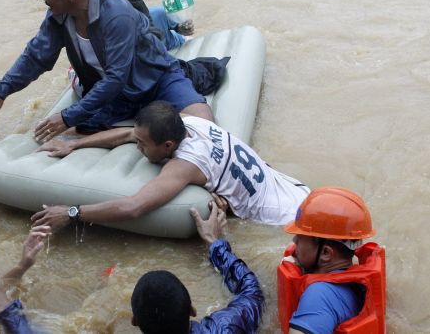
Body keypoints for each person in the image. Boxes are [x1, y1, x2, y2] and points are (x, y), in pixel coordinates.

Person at [0, 0, 213, 144]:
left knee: (202, 122)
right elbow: (36, 56)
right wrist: (0, 92)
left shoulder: (116, 15)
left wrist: (68, 116)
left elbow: (116, 77)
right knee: (56, 139)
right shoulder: (58, 17)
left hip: (156, 79)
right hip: (116, 95)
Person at [32, 100, 310, 229]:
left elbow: (134, 207)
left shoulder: (184, 164)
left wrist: (70, 213)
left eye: (142, 145)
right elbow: (128, 133)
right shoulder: (191, 122)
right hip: (300, 191)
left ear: (167, 146)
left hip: (287, 220)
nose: (137, 148)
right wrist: (74, 144)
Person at [131, 203, 263, 333]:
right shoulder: (224, 328)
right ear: (192, 310)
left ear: (134, 321)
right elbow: (252, 293)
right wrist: (214, 243)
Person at [277, 187, 386, 334]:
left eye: (301, 237)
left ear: (325, 252)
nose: (294, 240)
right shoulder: (360, 285)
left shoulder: (318, 296)